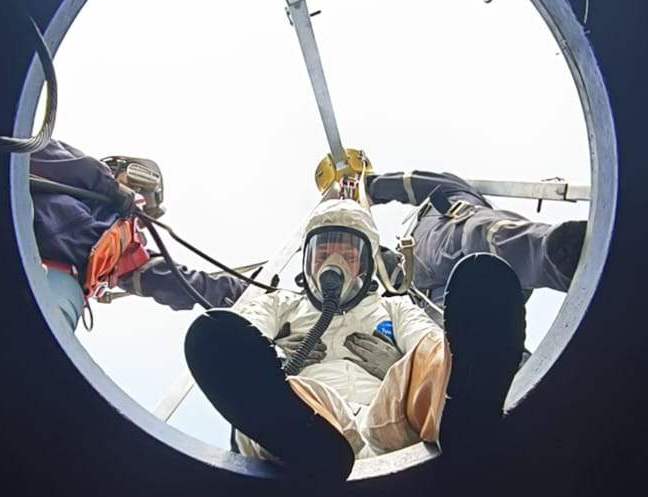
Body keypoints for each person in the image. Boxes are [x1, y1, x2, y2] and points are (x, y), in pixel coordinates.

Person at [185, 198, 526, 480]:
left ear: (365, 265)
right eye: (323, 254)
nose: (333, 263)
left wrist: (400, 366)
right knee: (276, 390)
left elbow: (427, 340)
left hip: (390, 420)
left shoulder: (392, 307)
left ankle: (462, 413)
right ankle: (295, 437)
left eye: (347, 255)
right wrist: (273, 355)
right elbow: (245, 328)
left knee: (429, 359)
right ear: (307, 262)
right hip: (310, 418)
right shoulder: (282, 305)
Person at [30, 139, 246, 331]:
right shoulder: (82, 176)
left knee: (45, 331)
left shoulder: (120, 242)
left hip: (56, 280)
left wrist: (236, 291)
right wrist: (108, 185)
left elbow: (168, 277)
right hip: (21, 230)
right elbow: (33, 149)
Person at [366, 170, 586, 306]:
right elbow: (371, 261)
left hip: (457, 241)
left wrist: (371, 186)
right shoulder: (401, 267)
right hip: (430, 294)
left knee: (480, 234)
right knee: (452, 340)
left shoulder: (452, 194)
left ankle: (562, 254)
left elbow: (412, 183)